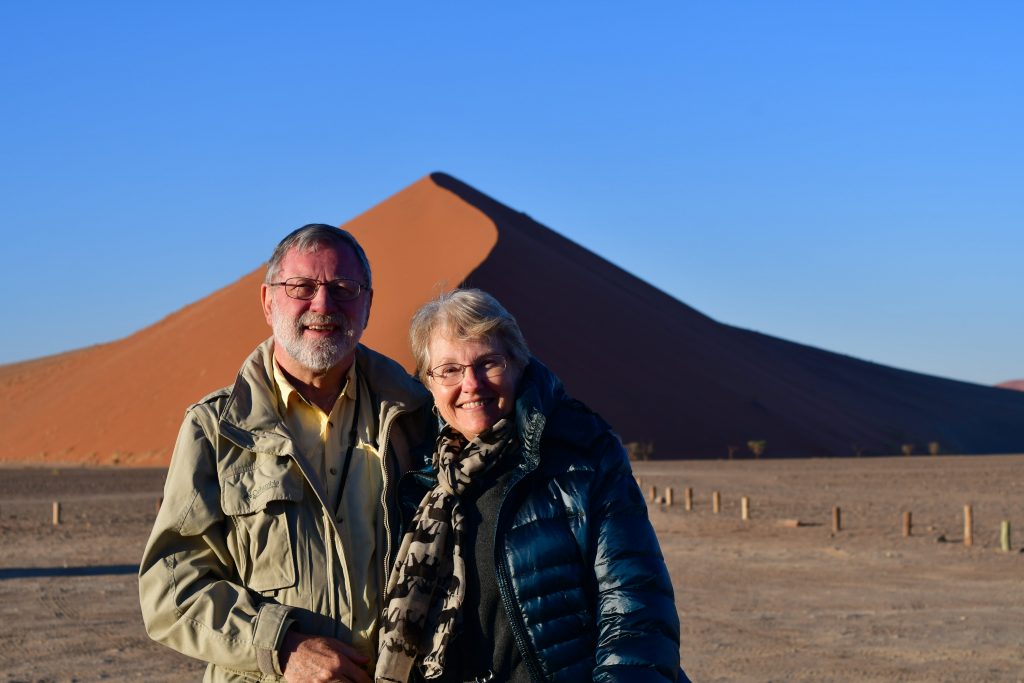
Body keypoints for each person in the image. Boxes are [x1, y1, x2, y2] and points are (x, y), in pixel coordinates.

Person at [139, 224, 434, 682]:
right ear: (267, 301)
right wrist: (280, 645)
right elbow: (172, 591)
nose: (323, 304)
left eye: (343, 289)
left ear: (368, 305)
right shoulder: (216, 430)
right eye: (302, 287)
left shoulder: (415, 417)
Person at [376, 289, 689, 683]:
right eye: (449, 370)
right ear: (428, 382)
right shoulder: (421, 479)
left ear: (519, 364)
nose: (470, 383)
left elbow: (636, 607)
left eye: (488, 363)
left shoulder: (580, 451)